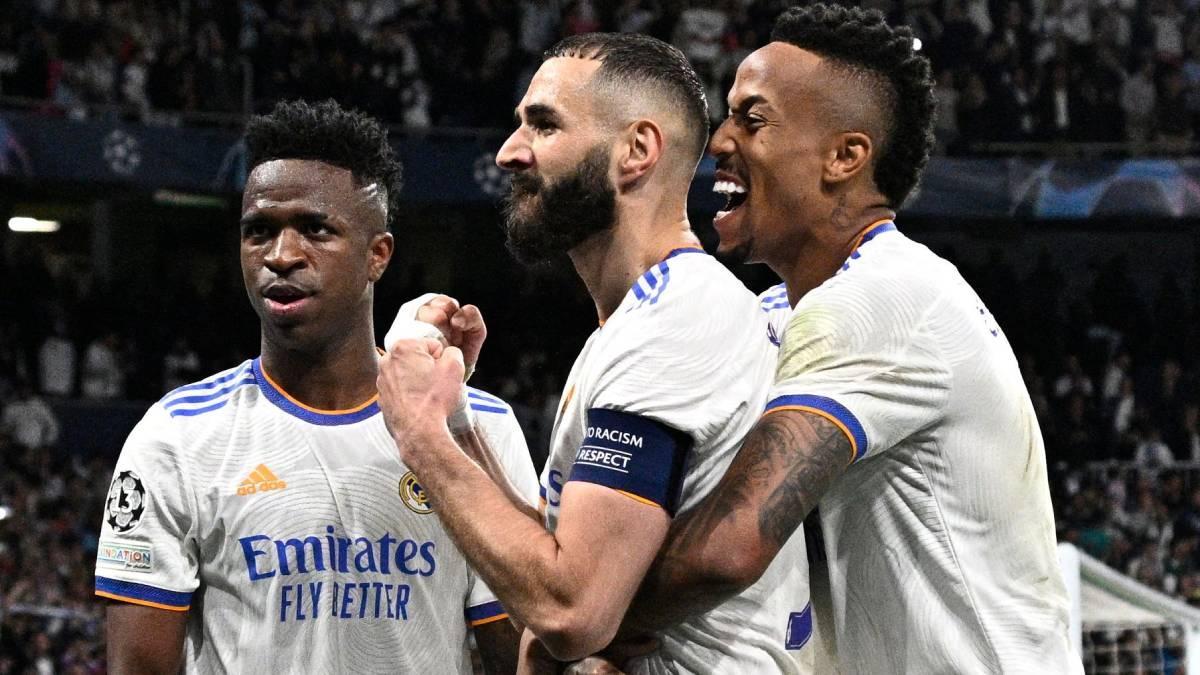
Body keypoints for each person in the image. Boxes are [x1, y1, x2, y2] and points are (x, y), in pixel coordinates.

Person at [615, 5, 1080, 673]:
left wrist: (578, 614)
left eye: (753, 118)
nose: (719, 141)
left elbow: (727, 548)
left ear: (845, 156)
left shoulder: (880, 299)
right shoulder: (795, 311)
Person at [377, 33, 810, 673]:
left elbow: (571, 609)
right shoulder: (640, 320)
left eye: (543, 125)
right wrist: (453, 423)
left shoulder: (676, 321)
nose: (508, 153)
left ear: (635, 151)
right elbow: (553, 563)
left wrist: (416, 431)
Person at [94, 99, 535, 673]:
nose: (280, 256)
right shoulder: (176, 435)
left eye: (315, 229)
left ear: (377, 255)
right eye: (259, 232)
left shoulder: (474, 428)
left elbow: (522, 655)